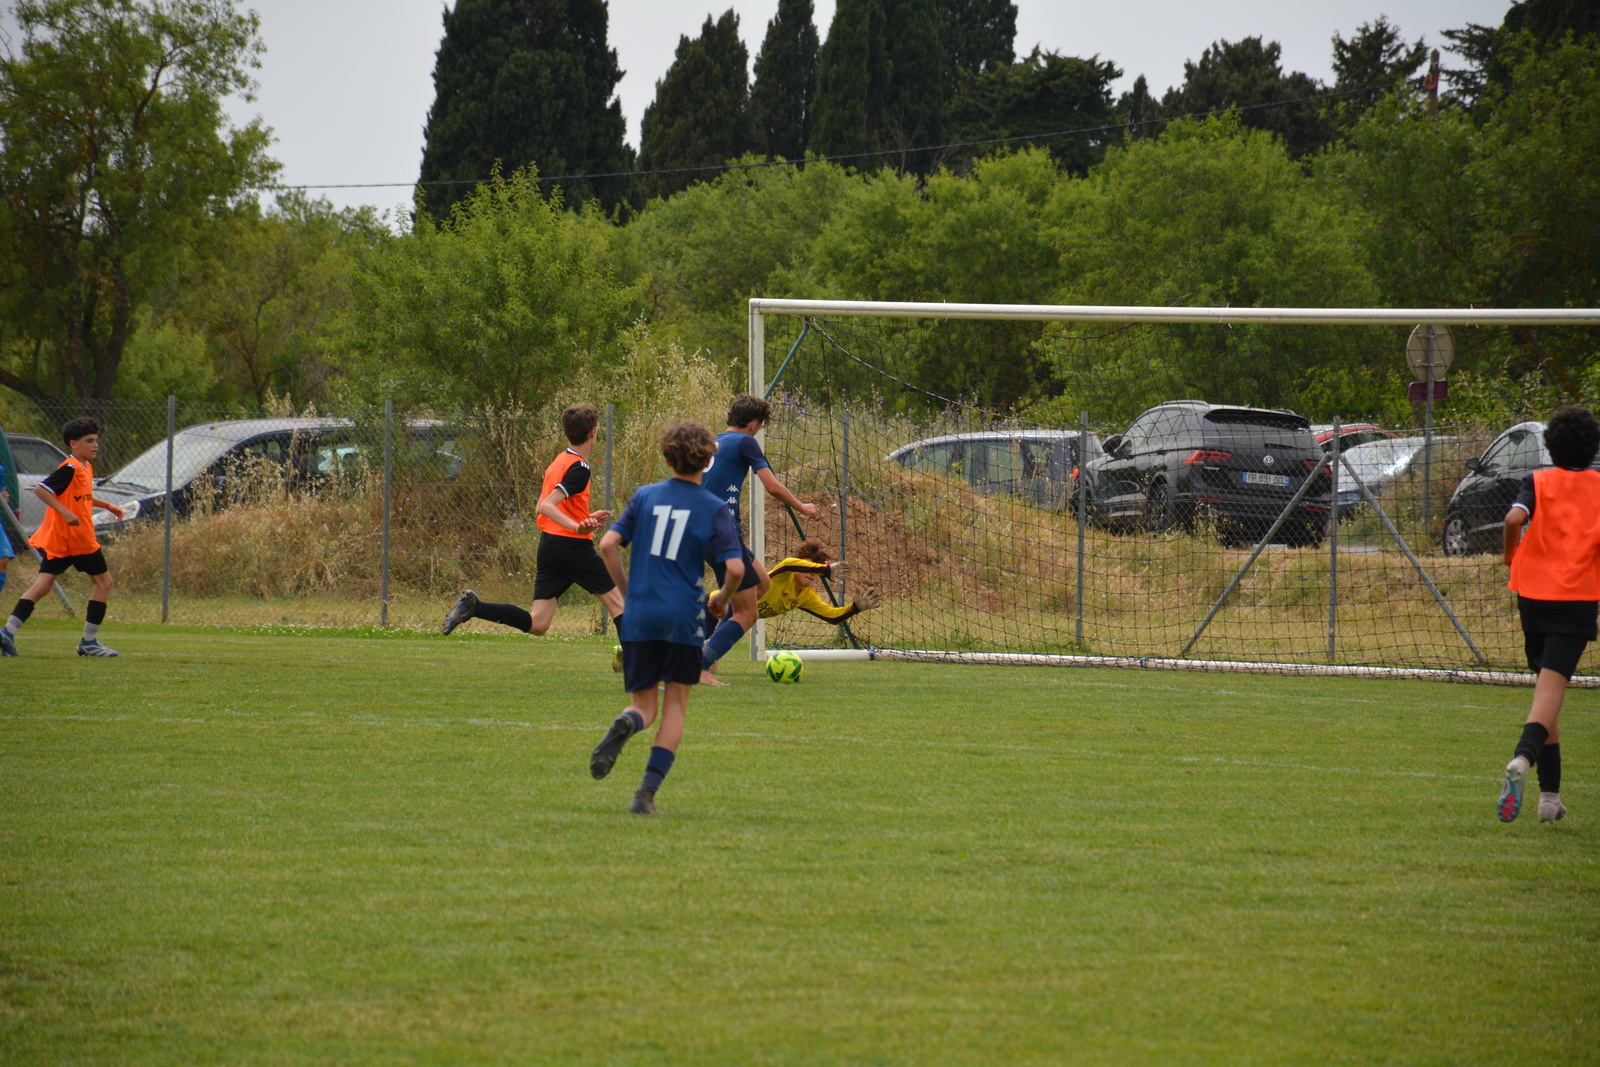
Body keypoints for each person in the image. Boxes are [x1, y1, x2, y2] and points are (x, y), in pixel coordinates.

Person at [588, 421, 744, 815]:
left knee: (644, 706)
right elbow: (736, 569)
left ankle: (629, 721)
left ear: (667, 459)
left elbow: (607, 544)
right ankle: (645, 795)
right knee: (675, 706)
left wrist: (628, 592)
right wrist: (723, 600)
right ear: (708, 461)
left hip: (640, 614)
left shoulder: (645, 496)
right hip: (683, 616)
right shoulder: (713, 508)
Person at [1497, 405, 1600, 823]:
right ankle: (1523, 757)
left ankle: (1550, 798)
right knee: (1551, 690)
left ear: (1551, 447)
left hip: (1533, 596)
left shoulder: (1537, 481)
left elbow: (1513, 518)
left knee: (1545, 690)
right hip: (1575, 598)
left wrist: (1510, 555)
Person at [441, 403, 622, 641]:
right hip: (572, 546)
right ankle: (636, 662)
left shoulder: (559, 461)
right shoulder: (580, 467)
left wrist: (583, 518)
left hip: (550, 546)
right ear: (593, 432)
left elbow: (542, 506)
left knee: (538, 623)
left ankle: (476, 607)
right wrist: (577, 526)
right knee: (620, 604)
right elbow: (546, 507)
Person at [698, 394, 819, 684]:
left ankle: (707, 647)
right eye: (761, 426)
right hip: (723, 533)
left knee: (763, 585)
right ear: (753, 424)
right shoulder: (745, 441)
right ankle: (698, 663)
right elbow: (772, 486)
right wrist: (802, 506)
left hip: (704, 530)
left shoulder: (712, 442)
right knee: (748, 614)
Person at [0, 417, 124, 658]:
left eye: (96, 440)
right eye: (89, 441)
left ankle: (7, 632)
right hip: (78, 539)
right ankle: (89, 642)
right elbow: (42, 490)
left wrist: (108, 505)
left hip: (62, 540)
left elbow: (82, 498)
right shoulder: (71, 467)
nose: (95, 445)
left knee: (43, 585)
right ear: (73, 444)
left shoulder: (85, 467)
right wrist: (65, 513)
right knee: (104, 583)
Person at [711, 538, 881, 628]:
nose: (813, 573)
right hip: (712, 607)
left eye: (816, 571)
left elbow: (832, 616)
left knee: (706, 663)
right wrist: (825, 569)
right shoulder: (784, 574)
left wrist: (855, 608)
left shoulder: (806, 595)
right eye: (809, 567)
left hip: (733, 620)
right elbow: (788, 563)